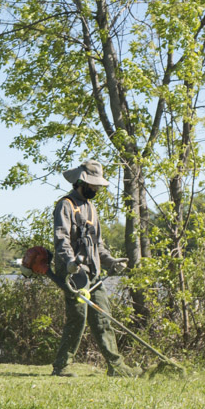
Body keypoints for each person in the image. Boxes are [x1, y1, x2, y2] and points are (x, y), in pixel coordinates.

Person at [51, 159, 139, 377]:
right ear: (82, 182)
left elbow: (97, 243)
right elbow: (61, 239)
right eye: (95, 185)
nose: (98, 189)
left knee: (103, 317)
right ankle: (62, 366)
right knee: (78, 318)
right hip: (72, 272)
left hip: (93, 272)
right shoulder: (65, 206)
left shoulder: (91, 208)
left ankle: (116, 366)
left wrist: (110, 261)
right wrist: (70, 263)